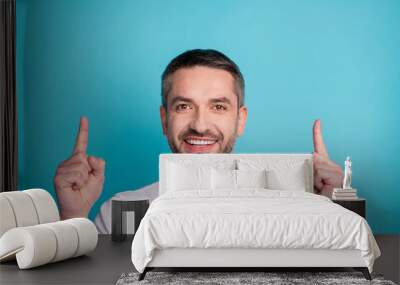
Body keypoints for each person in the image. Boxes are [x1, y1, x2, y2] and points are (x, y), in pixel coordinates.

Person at [53, 49, 344, 234]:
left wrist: (334, 207)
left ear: (240, 120)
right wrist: (73, 215)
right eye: (184, 106)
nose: (200, 125)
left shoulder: (292, 212)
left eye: (218, 106)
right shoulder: (125, 211)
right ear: (164, 119)